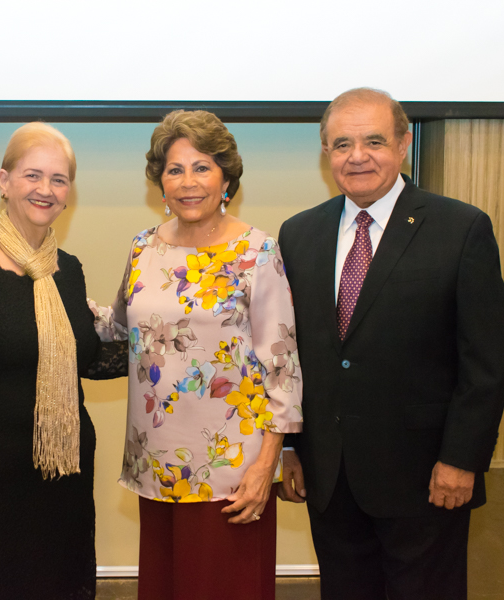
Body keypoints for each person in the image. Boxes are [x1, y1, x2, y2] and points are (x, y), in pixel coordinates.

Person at [277, 88, 504, 600]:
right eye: (342, 144)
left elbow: (485, 363)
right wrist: (291, 446)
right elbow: (291, 353)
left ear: (403, 145)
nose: (357, 156)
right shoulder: (298, 233)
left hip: (425, 477)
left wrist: (462, 459)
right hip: (331, 475)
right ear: (326, 152)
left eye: (374, 141)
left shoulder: (461, 228)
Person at [103, 110, 304, 600]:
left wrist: (267, 466)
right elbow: (118, 328)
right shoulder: (142, 248)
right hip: (156, 463)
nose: (188, 182)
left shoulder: (258, 251)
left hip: (231, 469)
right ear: (160, 181)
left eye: (202, 168)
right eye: (175, 169)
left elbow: (281, 366)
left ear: (226, 178)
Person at [0, 122, 126, 599]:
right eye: (33, 175)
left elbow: (85, 359)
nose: (45, 189)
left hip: (62, 484)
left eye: (58, 179)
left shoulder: (67, 270)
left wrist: (169, 347)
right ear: (5, 181)